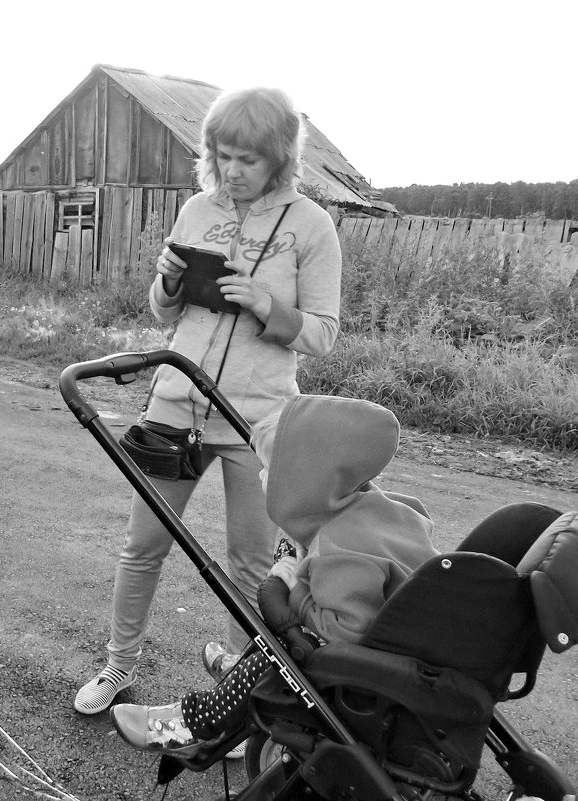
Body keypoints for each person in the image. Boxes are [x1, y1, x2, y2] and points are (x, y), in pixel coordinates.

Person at [73, 86, 343, 717]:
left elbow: (323, 333)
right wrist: (167, 280)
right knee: (143, 545)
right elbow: (163, 308)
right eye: (222, 156)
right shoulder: (197, 208)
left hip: (257, 420)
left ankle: (236, 683)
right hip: (174, 401)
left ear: (279, 157)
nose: (232, 171)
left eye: (247, 159)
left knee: (251, 566)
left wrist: (265, 305)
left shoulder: (310, 225)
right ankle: (119, 666)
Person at [109, 395, 439, 757]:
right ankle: (238, 670)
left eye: (267, 470)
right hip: (416, 647)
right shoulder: (386, 509)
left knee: (280, 652)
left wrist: (295, 592)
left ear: (303, 482)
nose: (261, 477)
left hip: (373, 665)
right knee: (277, 641)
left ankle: (195, 721)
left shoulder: (341, 549)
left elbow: (347, 630)